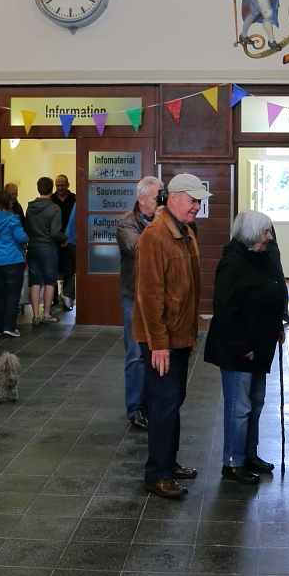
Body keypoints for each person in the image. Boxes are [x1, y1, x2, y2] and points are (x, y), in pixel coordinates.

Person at [134, 173, 211, 498]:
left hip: (179, 334)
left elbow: (189, 291)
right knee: (164, 403)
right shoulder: (154, 236)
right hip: (160, 339)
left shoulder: (185, 231)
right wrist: (160, 344)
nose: (197, 205)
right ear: (174, 197)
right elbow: (149, 297)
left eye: (199, 200)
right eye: (193, 200)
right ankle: (156, 474)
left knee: (174, 400)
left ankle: (169, 462)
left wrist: (190, 334)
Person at [204, 210, 287, 484]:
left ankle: (249, 454)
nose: (269, 236)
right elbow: (224, 310)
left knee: (257, 403)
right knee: (239, 407)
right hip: (240, 350)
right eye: (265, 232)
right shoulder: (233, 262)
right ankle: (233, 462)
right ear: (252, 233)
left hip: (260, 345)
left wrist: (277, 324)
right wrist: (243, 347)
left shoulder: (260, 257)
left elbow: (272, 292)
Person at [115, 175, 163, 431]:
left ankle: (153, 404)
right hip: (133, 296)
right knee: (136, 354)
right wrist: (159, 223)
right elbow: (140, 250)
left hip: (157, 295)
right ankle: (135, 409)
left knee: (157, 350)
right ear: (141, 199)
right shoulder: (126, 223)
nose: (160, 203)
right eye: (157, 198)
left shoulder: (164, 221)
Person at [0, 188, 29, 338]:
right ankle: (9, 326)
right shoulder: (12, 219)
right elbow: (22, 238)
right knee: (13, 294)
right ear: (10, 202)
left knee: (0, 294)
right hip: (12, 259)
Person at [24, 176, 65, 326]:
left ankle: (35, 315)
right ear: (52, 188)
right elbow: (55, 232)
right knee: (49, 281)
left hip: (33, 246)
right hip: (48, 247)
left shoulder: (30, 207)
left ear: (37, 188)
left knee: (34, 282)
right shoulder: (54, 208)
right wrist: (64, 238)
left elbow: (27, 228)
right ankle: (46, 314)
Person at [51, 174, 77, 311]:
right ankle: (53, 299)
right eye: (58, 185)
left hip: (70, 240)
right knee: (53, 270)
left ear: (68, 184)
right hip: (54, 241)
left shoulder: (74, 199)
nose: (60, 188)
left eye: (62, 185)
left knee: (69, 270)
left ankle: (68, 299)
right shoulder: (51, 200)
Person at [264, 236, 289, 326]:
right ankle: (282, 312)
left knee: (278, 276)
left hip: (267, 243)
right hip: (261, 243)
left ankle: (284, 312)